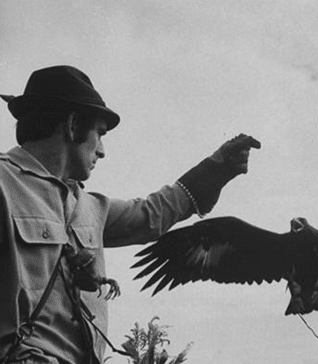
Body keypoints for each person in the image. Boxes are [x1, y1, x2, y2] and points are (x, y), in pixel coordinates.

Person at [0, 65, 260, 364]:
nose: (102, 151)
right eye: (99, 134)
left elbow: (151, 214)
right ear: (73, 126)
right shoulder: (4, 184)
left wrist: (218, 169)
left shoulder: (90, 208)